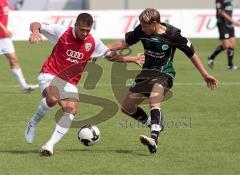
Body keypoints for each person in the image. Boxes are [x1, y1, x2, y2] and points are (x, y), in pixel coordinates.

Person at [24, 13, 144, 156]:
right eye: (82, 30)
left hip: (69, 82)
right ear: (75, 25)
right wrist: (36, 32)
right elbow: (35, 24)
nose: (85, 33)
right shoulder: (62, 32)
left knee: (71, 110)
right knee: (53, 98)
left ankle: (49, 145)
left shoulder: (93, 42)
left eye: (88, 30)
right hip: (50, 74)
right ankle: (33, 123)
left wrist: (132, 59)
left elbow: (110, 56)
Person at [108, 8, 218, 154]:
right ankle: (154, 124)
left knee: (155, 98)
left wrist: (205, 75)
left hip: (164, 73)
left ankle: (154, 139)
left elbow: (191, 54)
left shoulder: (173, 34)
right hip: (146, 72)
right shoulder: (141, 30)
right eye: (141, 25)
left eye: (145, 26)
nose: (142, 29)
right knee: (127, 107)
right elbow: (123, 44)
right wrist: (101, 49)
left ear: (155, 23)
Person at [0, 0, 38, 92]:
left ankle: (24, 86)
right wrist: (5, 29)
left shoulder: (5, 1)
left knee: (13, 59)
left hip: (4, 38)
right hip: (3, 33)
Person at [208, 0, 240, 70]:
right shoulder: (219, 1)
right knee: (226, 45)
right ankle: (211, 57)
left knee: (232, 43)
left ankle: (230, 65)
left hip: (229, 24)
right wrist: (233, 21)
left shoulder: (229, 1)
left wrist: (231, 21)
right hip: (222, 24)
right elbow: (221, 12)